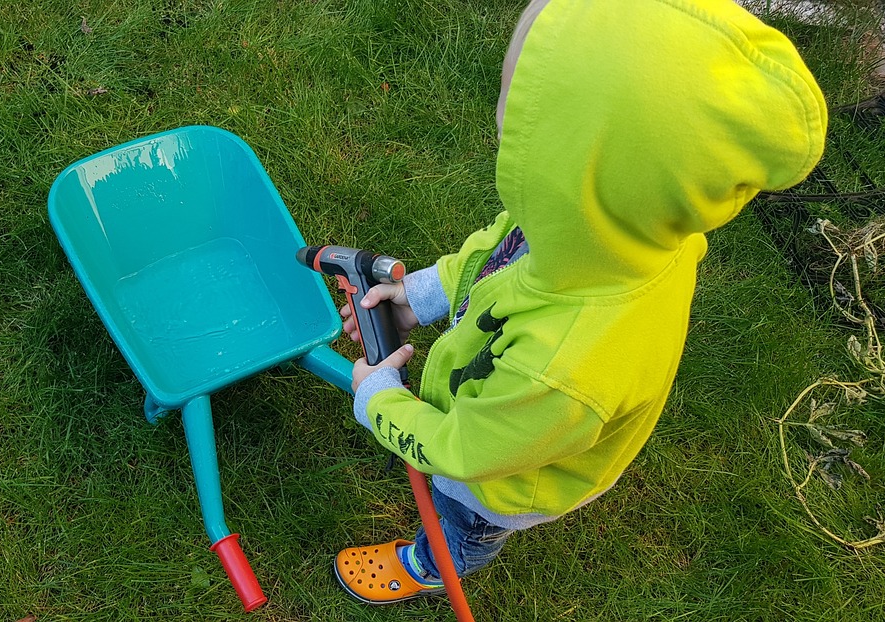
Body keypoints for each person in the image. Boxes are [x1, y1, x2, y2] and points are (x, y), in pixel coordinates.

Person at [333, 0, 828, 604]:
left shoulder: (562, 366)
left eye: (520, 131)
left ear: (582, 168)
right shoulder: (599, 225)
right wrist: (419, 296)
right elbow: (498, 249)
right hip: (504, 424)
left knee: (459, 518)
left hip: (500, 477)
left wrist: (379, 401)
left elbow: (465, 450)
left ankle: (435, 563)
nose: (503, 137)